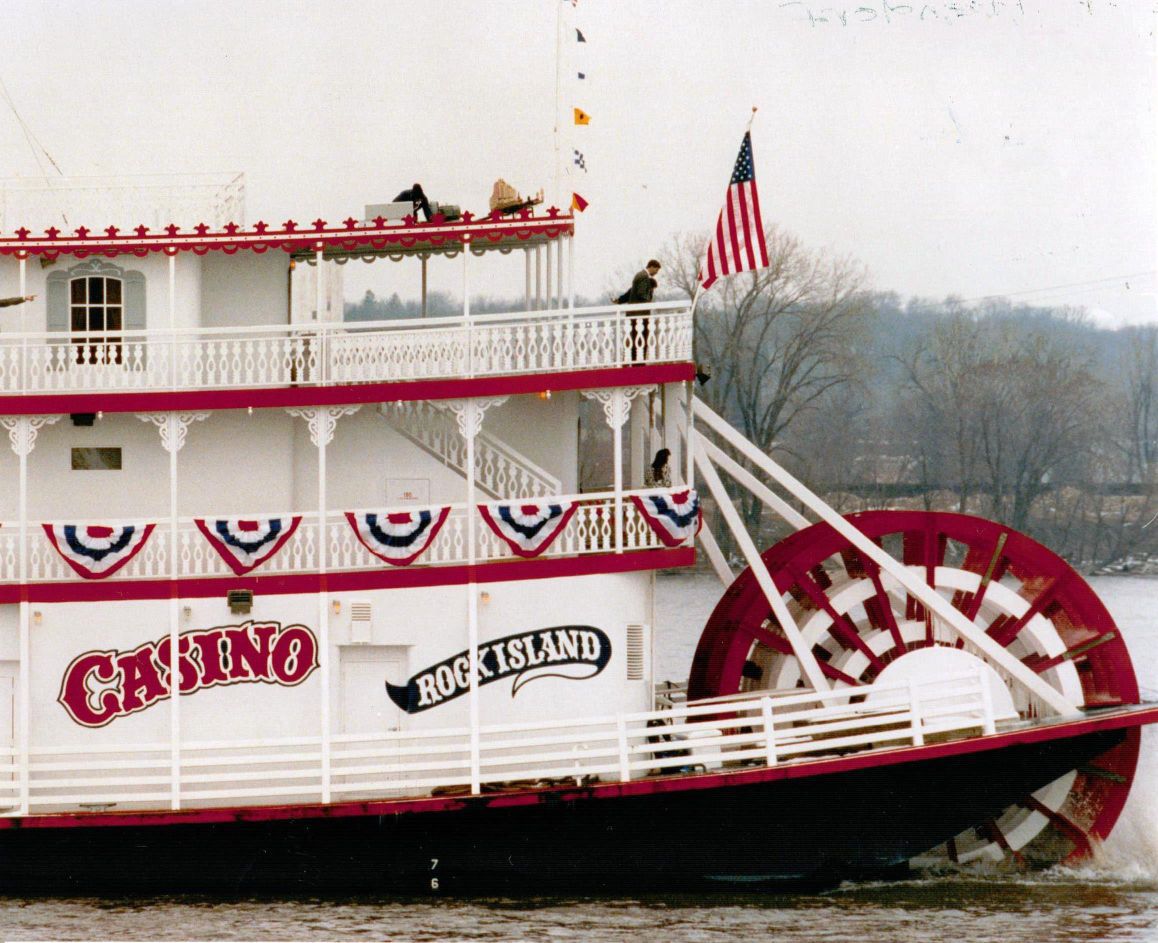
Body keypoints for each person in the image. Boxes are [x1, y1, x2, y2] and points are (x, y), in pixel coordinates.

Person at [617, 259, 660, 360]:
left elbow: (631, 292)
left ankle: (635, 359)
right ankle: (639, 361)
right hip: (639, 314)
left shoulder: (640, 276)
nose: (656, 273)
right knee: (641, 339)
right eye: (656, 270)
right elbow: (642, 294)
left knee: (635, 338)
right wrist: (650, 295)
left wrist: (620, 300)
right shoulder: (644, 277)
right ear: (652, 267)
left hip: (634, 314)